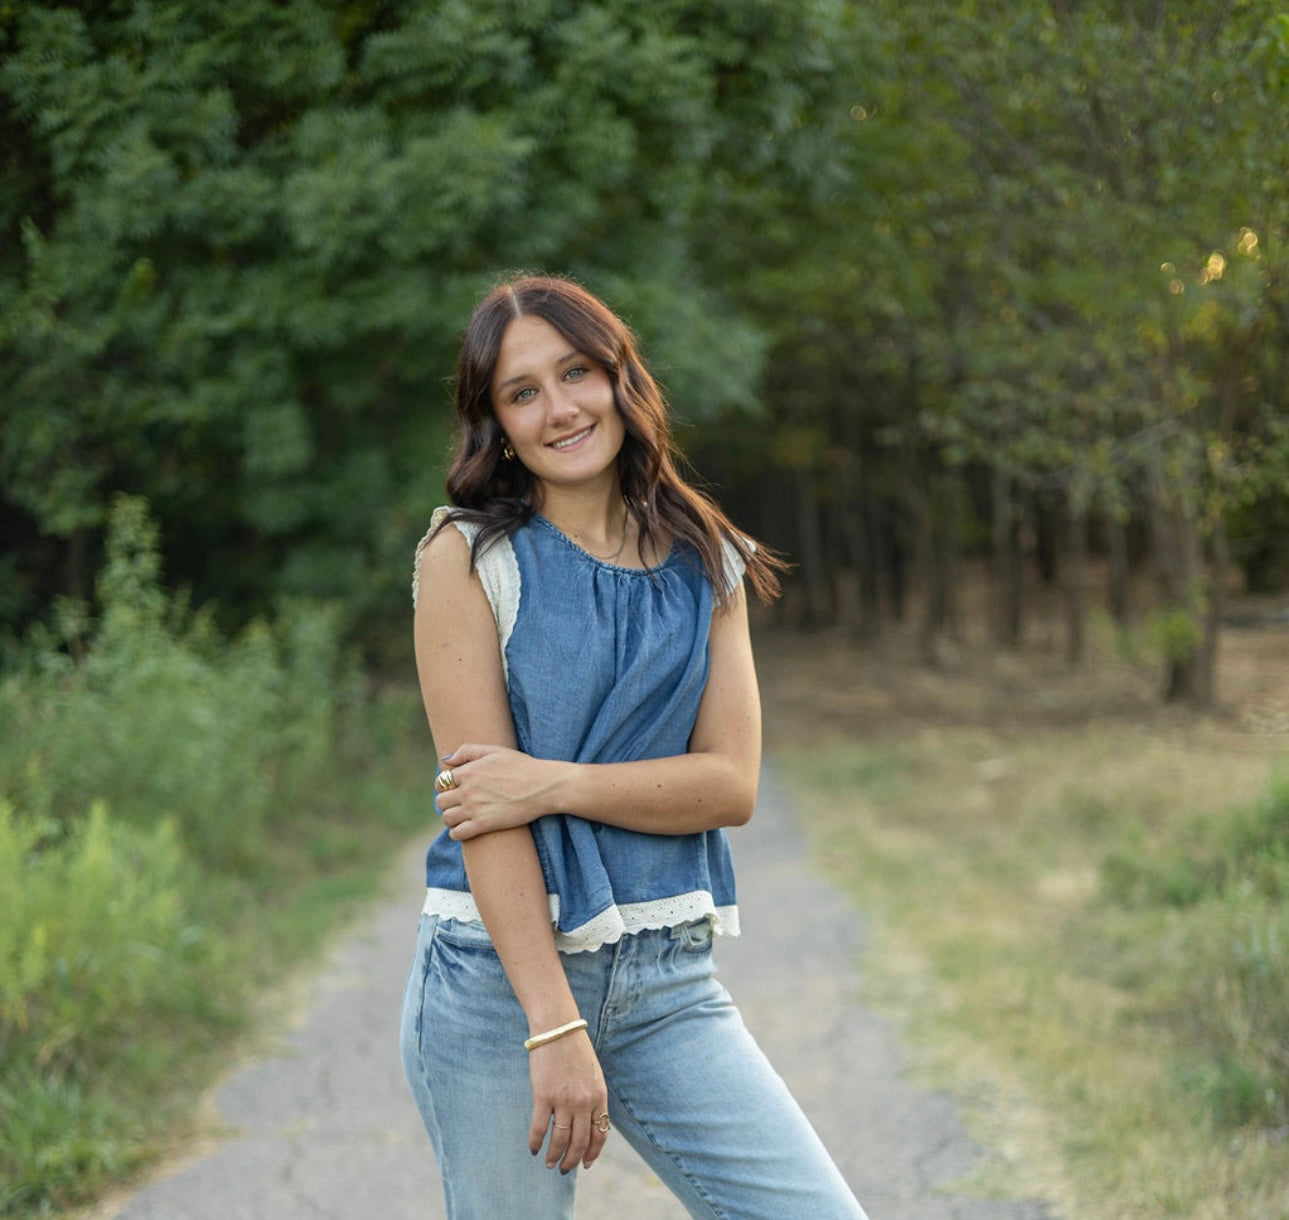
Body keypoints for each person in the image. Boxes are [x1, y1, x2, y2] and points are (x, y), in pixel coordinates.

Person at [400, 274, 867, 1220]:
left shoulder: (708, 556)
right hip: (500, 987)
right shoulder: (468, 557)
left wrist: (552, 783)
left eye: (575, 373)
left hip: (666, 979)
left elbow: (728, 784)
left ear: (620, 378)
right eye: (521, 392)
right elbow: (486, 812)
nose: (559, 408)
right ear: (497, 425)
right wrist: (551, 1024)